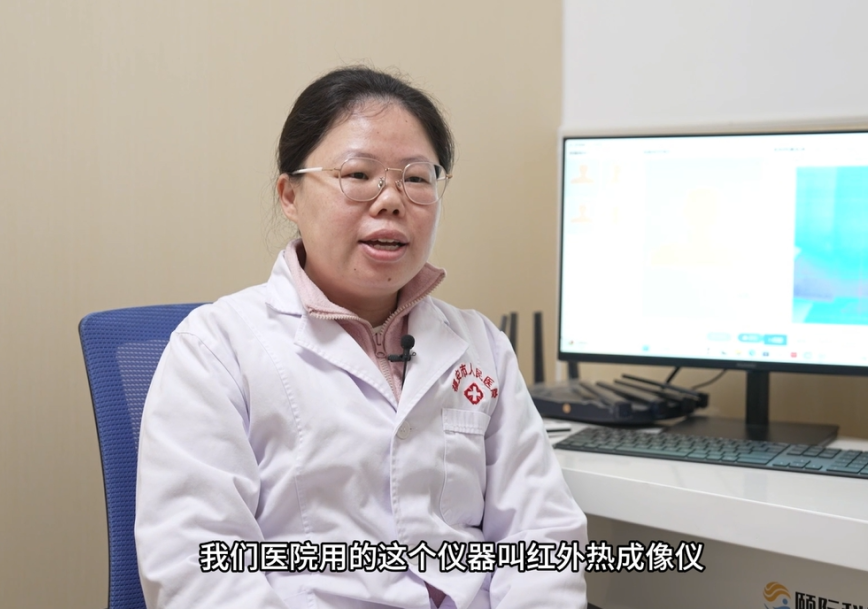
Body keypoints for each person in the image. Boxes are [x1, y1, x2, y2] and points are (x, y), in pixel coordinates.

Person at [134, 66, 588, 609]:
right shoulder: (215, 348)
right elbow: (196, 565)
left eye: (416, 178)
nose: (391, 199)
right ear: (290, 195)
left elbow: (542, 534)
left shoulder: (480, 344)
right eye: (358, 174)